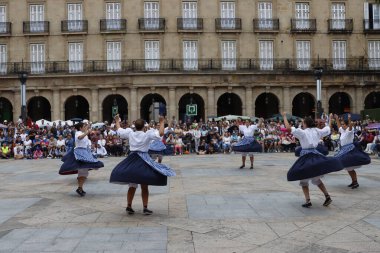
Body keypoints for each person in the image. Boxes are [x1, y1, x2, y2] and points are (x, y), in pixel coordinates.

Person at [110, 115, 175, 215]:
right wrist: (162, 122)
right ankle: (145, 207)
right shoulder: (147, 134)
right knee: (144, 184)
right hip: (143, 159)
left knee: (132, 185)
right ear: (144, 127)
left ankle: (129, 206)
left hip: (132, 159)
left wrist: (117, 120)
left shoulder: (130, 133)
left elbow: (119, 130)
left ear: (134, 126)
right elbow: (161, 133)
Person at [284, 112, 344, 208]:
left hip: (306, 158)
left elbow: (287, 128)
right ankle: (327, 196)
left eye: (303, 122)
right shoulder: (317, 131)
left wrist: (284, 116)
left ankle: (308, 200)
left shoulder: (302, 132)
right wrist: (331, 118)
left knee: (303, 179)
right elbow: (328, 129)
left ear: (305, 124)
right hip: (316, 156)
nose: (302, 124)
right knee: (316, 178)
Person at [59, 122, 104, 197]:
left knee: (84, 171)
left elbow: (86, 142)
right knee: (82, 170)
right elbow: (80, 138)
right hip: (79, 152)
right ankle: (79, 187)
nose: (85, 127)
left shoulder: (84, 134)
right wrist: (87, 132)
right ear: (80, 128)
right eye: (84, 126)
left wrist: (90, 149)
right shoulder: (78, 133)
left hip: (85, 151)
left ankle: (80, 187)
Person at [334, 114, 371, 189]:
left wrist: (349, 119)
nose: (342, 126)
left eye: (343, 124)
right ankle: (354, 181)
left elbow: (350, 126)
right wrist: (337, 119)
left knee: (350, 167)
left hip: (349, 150)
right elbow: (338, 126)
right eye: (342, 124)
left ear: (347, 125)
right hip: (344, 150)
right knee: (348, 167)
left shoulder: (349, 130)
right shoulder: (342, 130)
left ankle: (355, 182)